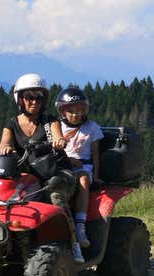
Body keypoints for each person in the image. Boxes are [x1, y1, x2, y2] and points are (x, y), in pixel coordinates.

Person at [50, 86, 102, 264]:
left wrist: (97, 174)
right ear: (62, 111)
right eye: (70, 111)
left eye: (79, 111)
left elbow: (95, 153)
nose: (75, 115)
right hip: (63, 166)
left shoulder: (91, 127)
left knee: (83, 179)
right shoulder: (57, 128)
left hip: (84, 167)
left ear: (84, 110)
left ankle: (80, 226)